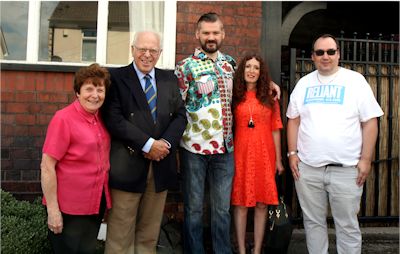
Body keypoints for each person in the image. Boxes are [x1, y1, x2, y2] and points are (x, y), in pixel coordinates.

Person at [175, 12, 281, 253]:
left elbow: (250, 82)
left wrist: (271, 83)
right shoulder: (185, 67)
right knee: (193, 208)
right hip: (194, 148)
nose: (211, 37)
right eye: (206, 33)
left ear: (222, 34)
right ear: (197, 35)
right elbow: (177, 107)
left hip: (225, 148)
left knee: (222, 208)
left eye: (215, 33)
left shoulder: (230, 64)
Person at [286, 34, 384, 254]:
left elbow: (370, 122)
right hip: (308, 169)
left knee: (347, 226)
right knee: (312, 224)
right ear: (313, 57)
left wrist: (366, 159)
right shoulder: (304, 84)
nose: (325, 56)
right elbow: (294, 119)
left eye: (331, 51)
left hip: (346, 170)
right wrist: (292, 153)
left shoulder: (355, 81)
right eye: (320, 52)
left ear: (338, 54)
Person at [102, 30, 187, 254]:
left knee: (149, 234)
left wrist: (165, 144)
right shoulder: (116, 78)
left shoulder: (169, 78)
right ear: (133, 50)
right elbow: (114, 119)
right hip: (128, 165)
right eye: (142, 49)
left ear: (160, 53)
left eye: (153, 50)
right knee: (120, 234)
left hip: (161, 164)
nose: (147, 55)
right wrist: (148, 144)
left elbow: (180, 115)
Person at [40, 63, 111, 254]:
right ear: (78, 92)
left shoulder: (101, 118)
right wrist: (53, 211)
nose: (95, 95)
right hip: (68, 207)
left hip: (95, 203)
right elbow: (47, 166)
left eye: (100, 89)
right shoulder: (63, 119)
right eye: (89, 89)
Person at [231, 54, 284, 254]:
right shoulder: (234, 96)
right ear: (242, 71)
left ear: (261, 73)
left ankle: (257, 249)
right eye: (248, 67)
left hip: (265, 155)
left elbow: (275, 129)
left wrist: (278, 160)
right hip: (241, 154)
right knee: (241, 204)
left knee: (262, 204)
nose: (252, 71)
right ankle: (242, 249)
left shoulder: (270, 98)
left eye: (256, 68)